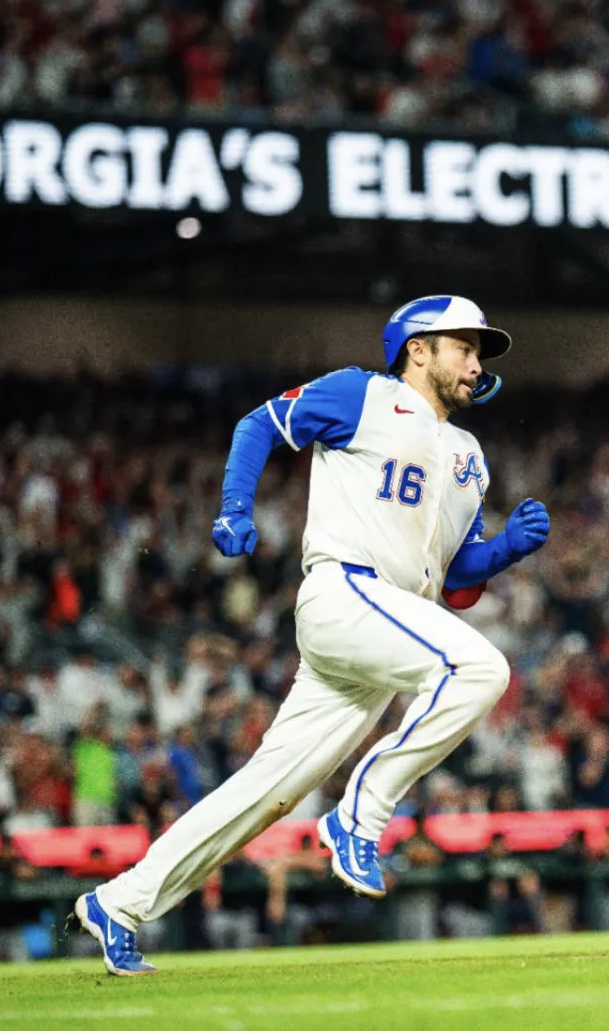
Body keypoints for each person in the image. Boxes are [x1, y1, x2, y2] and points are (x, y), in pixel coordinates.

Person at [74, 295, 550, 976]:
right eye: (463, 346)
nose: (476, 361)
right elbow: (258, 424)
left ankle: (121, 901)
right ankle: (361, 813)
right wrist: (235, 504)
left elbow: (455, 581)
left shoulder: (468, 454)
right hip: (344, 595)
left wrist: (505, 548)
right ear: (418, 348)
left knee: (269, 789)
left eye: (479, 352)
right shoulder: (363, 393)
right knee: (481, 669)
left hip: (384, 626)